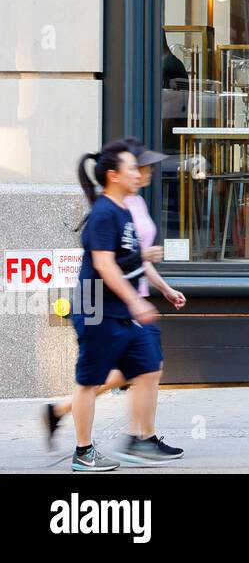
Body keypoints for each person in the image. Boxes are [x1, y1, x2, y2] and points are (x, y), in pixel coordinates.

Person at [43, 140, 186, 465]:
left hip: (120, 310)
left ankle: (140, 439)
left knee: (149, 366)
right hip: (97, 308)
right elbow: (105, 265)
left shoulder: (123, 210)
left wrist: (155, 282)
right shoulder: (104, 213)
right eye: (131, 168)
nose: (138, 173)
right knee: (90, 380)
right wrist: (136, 303)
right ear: (113, 175)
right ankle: (83, 452)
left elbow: (125, 260)